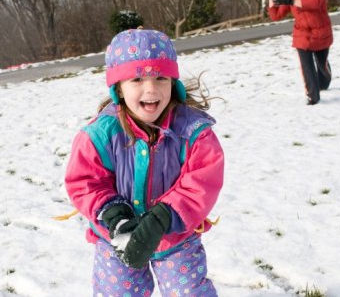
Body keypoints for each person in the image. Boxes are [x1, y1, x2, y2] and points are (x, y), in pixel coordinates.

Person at [65, 28, 224, 297]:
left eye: (160, 77)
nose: (150, 88)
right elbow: (85, 181)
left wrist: (164, 217)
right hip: (118, 242)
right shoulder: (101, 134)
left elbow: (202, 180)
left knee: (189, 292)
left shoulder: (193, 132)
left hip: (176, 239)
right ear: (118, 87)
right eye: (137, 79)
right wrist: (113, 215)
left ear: (173, 83)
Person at [266, 0, 333, 105]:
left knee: (322, 65)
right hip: (302, 34)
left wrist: (292, 1)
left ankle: (324, 80)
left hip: (320, 32)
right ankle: (313, 97)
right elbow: (276, 16)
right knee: (307, 67)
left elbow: (314, 3)